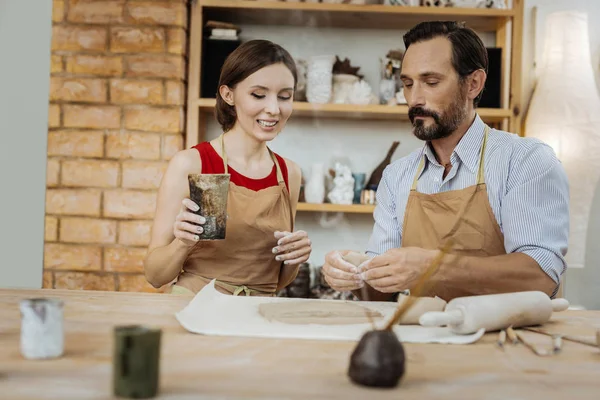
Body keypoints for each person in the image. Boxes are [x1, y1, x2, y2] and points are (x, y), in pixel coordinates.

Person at [321, 21, 569, 302]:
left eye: (431, 82)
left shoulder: (525, 161)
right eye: (407, 84)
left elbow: (540, 278)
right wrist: (351, 272)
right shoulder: (397, 176)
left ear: (473, 84)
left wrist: (433, 267)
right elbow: (383, 292)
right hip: (421, 340)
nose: (414, 98)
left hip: (503, 340)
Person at [144, 39, 312, 296]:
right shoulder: (196, 164)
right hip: (194, 308)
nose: (274, 109)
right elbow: (155, 276)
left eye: (285, 96)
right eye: (258, 94)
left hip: (258, 315)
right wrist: (182, 244)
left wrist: (294, 258)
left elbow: (277, 280)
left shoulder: (289, 173)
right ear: (228, 94)